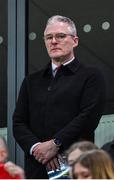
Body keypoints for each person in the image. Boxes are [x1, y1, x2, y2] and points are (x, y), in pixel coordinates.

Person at [13, 15, 105, 179]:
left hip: (77, 166)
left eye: (60, 36)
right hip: (37, 167)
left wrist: (56, 143)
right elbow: (18, 122)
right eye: (49, 37)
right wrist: (37, 148)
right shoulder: (31, 81)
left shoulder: (90, 76)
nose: (53, 41)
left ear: (75, 41)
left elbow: (88, 117)